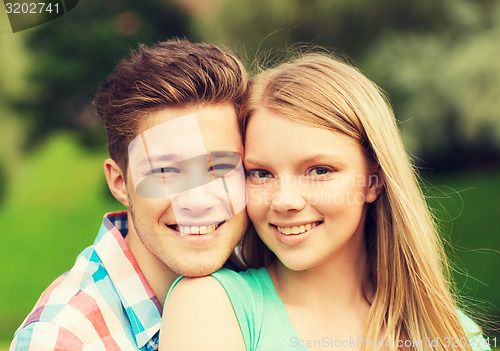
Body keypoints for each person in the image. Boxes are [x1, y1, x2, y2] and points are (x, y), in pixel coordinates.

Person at [159, 52, 491, 351]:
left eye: (319, 170)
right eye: (260, 173)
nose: (285, 201)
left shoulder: (456, 335)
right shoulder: (212, 305)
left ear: (373, 180)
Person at [11, 39, 249, 350]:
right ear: (120, 182)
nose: (198, 201)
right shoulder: (64, 338)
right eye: (166, 172)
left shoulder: (264, 285)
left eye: (219, 167)